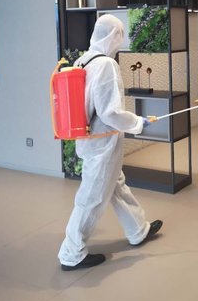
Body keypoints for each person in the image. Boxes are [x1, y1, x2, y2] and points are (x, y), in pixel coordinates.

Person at [58, 14, 163, 271]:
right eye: (120, 35)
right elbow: (110, 112)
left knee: (116, 184)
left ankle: (138, 229)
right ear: (113, 35)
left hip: (89, 139)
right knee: (91, 197)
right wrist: (137, 122)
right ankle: (71, 253)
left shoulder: (84, 60)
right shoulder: (106, 64)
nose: (121, 40)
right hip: (103, 141)